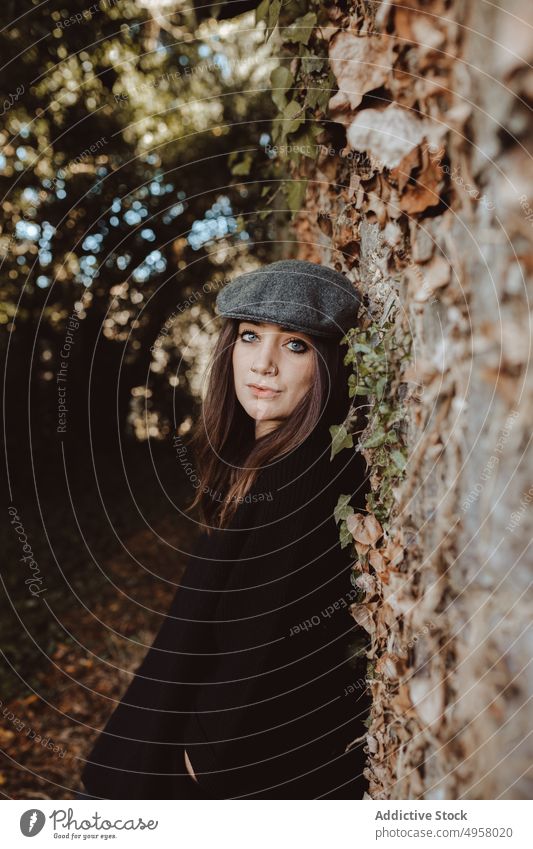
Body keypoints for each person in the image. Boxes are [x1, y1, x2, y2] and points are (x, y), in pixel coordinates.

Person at [80, 259, 372, 800]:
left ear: (328, 361)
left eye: (295, 345)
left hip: (228, 764)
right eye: (250, 336)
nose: (263, 364)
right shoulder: (256, 455)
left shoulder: (301, 474)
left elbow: (269, 635)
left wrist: (205, 759)